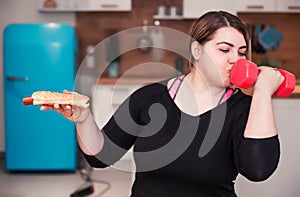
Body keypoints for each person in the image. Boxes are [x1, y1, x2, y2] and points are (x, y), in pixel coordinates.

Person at [42, 11, 283, 197]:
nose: (236, 60)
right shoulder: (149, 97)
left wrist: (262, 91)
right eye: (224, 50)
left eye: (242, 53)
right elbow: (101, 156)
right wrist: (83, 119)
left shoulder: (243, 108)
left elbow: (258, 170)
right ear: (196, 51)